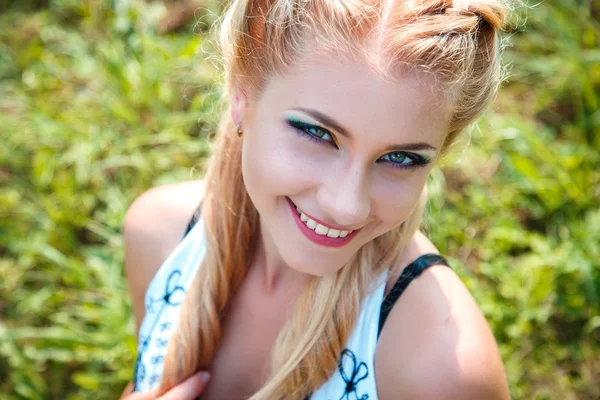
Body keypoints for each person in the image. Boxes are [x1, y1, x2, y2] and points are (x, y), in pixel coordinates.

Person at [120, 0, 513, 398]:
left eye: (400, 158)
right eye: (317, 134)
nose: (347, 206)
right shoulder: (160, 237)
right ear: (242, 91)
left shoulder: (441, 371)